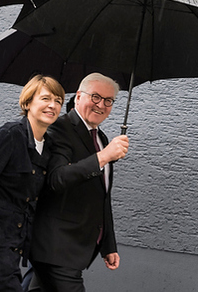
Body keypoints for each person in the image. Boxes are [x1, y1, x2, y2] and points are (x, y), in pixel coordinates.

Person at [0, 75, 65, 292]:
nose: (52, 105)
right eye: (45, 98)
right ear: (27, 103)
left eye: (58, 101)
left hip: (15, 249)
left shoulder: (49, 147)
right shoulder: (9, 135)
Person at [30, 73, 130, 292]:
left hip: (74, 247)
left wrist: (108, 244)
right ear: (77, 97)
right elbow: (57, 179)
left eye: (108, 100)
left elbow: (102, 195)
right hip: (57, 246)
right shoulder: (59, 128)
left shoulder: (101, 138)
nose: (101, 105)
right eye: (95, 97)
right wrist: (103, 157)